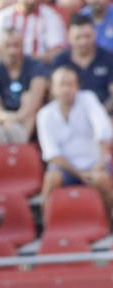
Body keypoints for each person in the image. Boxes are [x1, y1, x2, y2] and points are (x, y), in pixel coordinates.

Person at [36, 66, 113, 213]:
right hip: (66, 168)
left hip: (94, 164)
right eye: (61, 85)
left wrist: (99, 164)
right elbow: (51, 154)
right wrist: (79, 173)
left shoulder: (88, 99)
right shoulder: (44, 114)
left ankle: (109, 223)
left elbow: (103, 132)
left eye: (70, 84)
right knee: (51, 179)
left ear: (77, 86)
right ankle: (48, 224)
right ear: (52, 88)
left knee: (101, 179)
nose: (66, 89)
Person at [0, 28, 49, 145]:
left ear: (23, 46)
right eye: (7, 46)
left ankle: (22, 138)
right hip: (2, 117)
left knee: (28, 97)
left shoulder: (34, 66)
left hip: (25, 116)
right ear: (0, 48)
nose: (12, 51)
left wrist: (18, 116)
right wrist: (2, 115)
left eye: (16, 45)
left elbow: (37, 95)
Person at [53, 15, 113, 111]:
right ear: (69, 37)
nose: (83, 42)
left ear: (95, 34)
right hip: (68, 114)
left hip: (104, 114)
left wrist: (99, 115)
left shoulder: (109, 58)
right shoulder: (60, 60)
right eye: (78, 37)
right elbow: (54, 94)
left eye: (87, 36)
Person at [0, 0, 66, 65]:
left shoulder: (51, 16)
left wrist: (24, 61)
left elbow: (55, 53)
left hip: (38, 67)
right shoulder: (2, 17)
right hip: (7, 67)